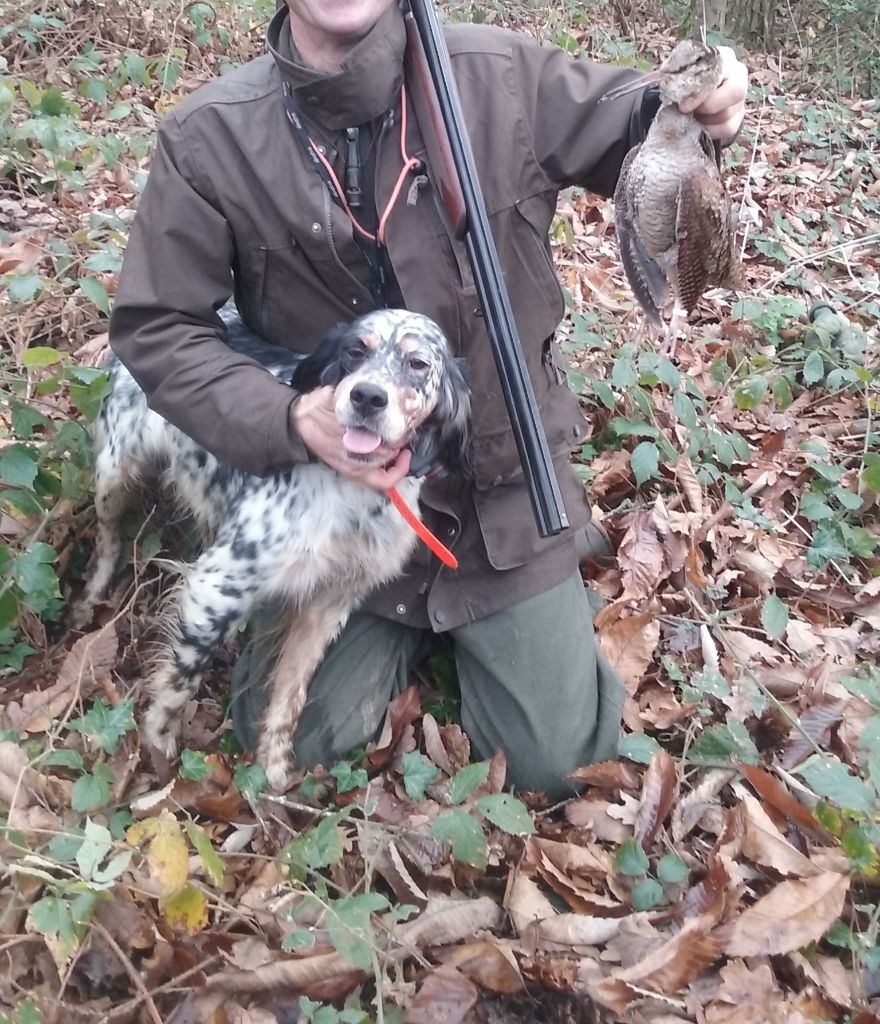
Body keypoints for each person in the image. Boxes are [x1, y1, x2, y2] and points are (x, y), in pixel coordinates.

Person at [109, 0, 748, 796]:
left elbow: (635, 115)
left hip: (504, 500)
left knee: (556, 765)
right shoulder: (209, 138)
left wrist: (699, 103)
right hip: (334, 501)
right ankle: (414, 634)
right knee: (301, 746)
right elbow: (160, 328)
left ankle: (503, 617)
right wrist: (286, 416)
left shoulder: (502, 76)